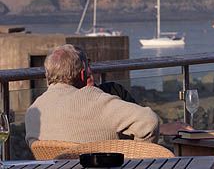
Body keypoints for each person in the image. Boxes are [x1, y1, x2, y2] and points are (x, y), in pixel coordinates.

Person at [25, 44, 187, 146]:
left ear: (47, 76)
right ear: (83, 74)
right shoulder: (93, 99)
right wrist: (137, 158)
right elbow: (149, 121)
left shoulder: (33, 111)